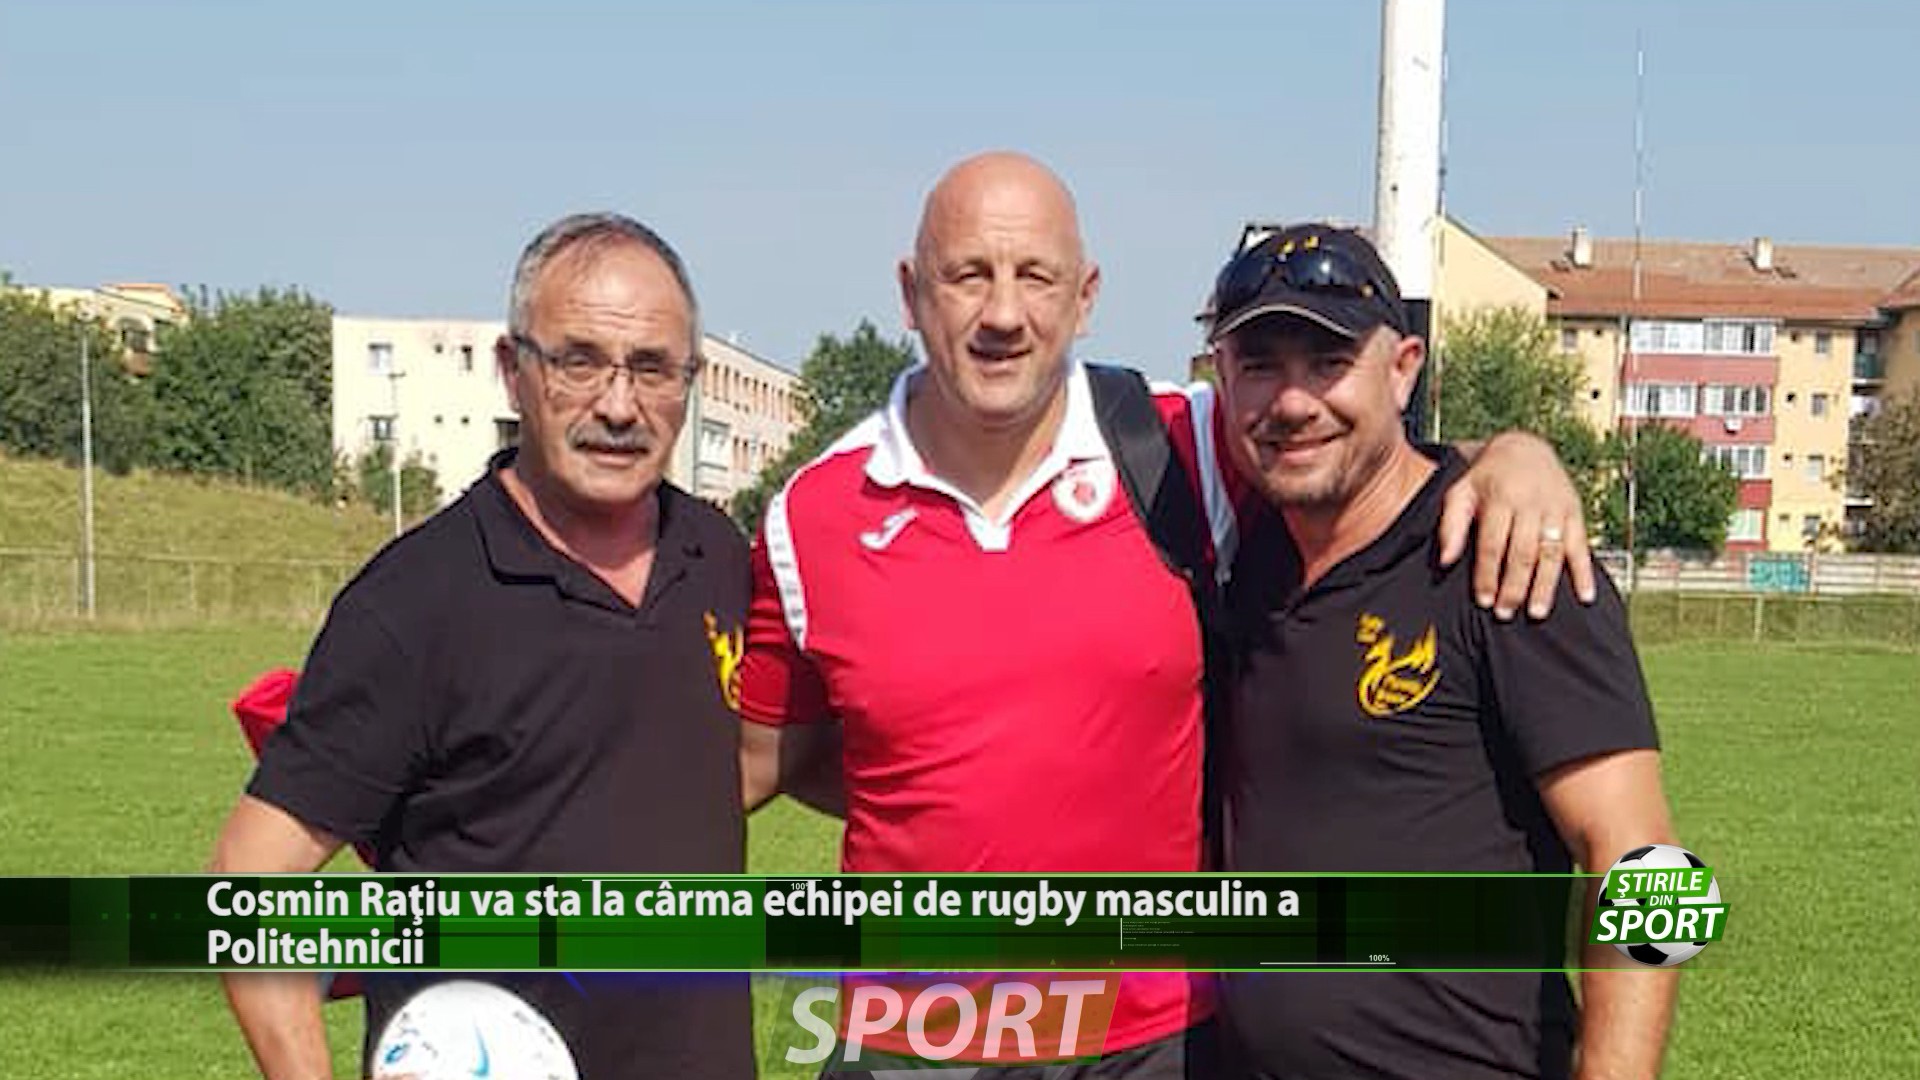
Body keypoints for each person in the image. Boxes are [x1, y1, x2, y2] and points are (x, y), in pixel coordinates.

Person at [738, 151, 1596, 1077]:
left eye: (1036, 276)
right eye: (968, 275)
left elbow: (1351, 451)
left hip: (1154, 1038)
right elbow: (771, 759)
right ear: (912, 294)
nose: (1003, 313)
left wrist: (1512, 454)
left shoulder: (1181, 446)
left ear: (1086, 297)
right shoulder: (812, 515)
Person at [208, 213, 756, 1079]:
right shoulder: (415, 603)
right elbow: (253, 879)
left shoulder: (716, 555)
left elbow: (708, 770)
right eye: (579, 361)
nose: (619, 406)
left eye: (653, 368)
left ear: (689, 381)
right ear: (512, 371)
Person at [1205, 224, 1678, 1079]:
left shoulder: (1507, 556)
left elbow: (1650, 862)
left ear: (1403, 368)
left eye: (1330, 361)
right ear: (1222, 378)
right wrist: (1507, 446)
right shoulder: (1246, 556)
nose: (1294, 401)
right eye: (1261, 364)